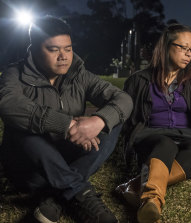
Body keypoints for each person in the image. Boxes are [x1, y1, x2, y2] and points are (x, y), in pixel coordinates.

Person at [0, 16, 133, 223]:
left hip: (69, 158)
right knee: (21, 128)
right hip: (31, 166)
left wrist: (97, 121)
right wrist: (68, 124)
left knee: (114, 120)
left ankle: (54, 197)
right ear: (34, 49)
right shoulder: (14, 74)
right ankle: (79, 191)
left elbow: (123, 99)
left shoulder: (78, 75)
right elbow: (8, 105)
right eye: (53, 50)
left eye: (68, 49)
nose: (63, 56)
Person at [116, 24, 191, 223]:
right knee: (165, 144)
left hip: (187, 136)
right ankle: (152, 200)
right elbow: (126, 117)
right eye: (183, 47)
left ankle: (134, 186)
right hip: (151, 136)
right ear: (165, 46)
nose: (188, 54)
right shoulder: (138, 81)